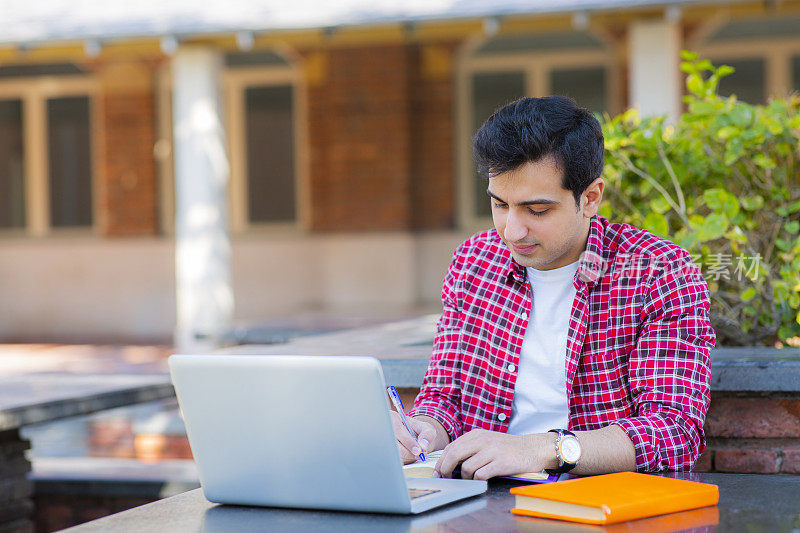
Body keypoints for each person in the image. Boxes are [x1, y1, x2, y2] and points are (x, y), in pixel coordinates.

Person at [390, 96, 716, 479]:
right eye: (499, 205)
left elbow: (673, 432)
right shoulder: (473, 261)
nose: (512, 231)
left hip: (595, 503)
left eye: (537, 211)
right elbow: (444, 397)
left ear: (590, 198)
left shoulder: (659, 271)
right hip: (479, 496)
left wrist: (543, 449)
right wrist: (421, 432)